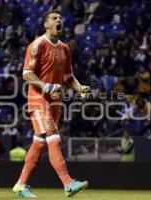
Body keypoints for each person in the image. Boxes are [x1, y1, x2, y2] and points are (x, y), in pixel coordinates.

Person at [12, 10, 90, 198]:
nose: (59, 20)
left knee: (39, 143)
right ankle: (68, 183)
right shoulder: (37, 45)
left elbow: (68, 77)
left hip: (56, 101)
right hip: (38, 99)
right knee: (54, 138)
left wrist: (79, 88)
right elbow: (26, 74)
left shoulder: (64, 49)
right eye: (54, 18)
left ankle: (20, 185)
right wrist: (46, 87)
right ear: (46, 25)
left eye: (60, 18)